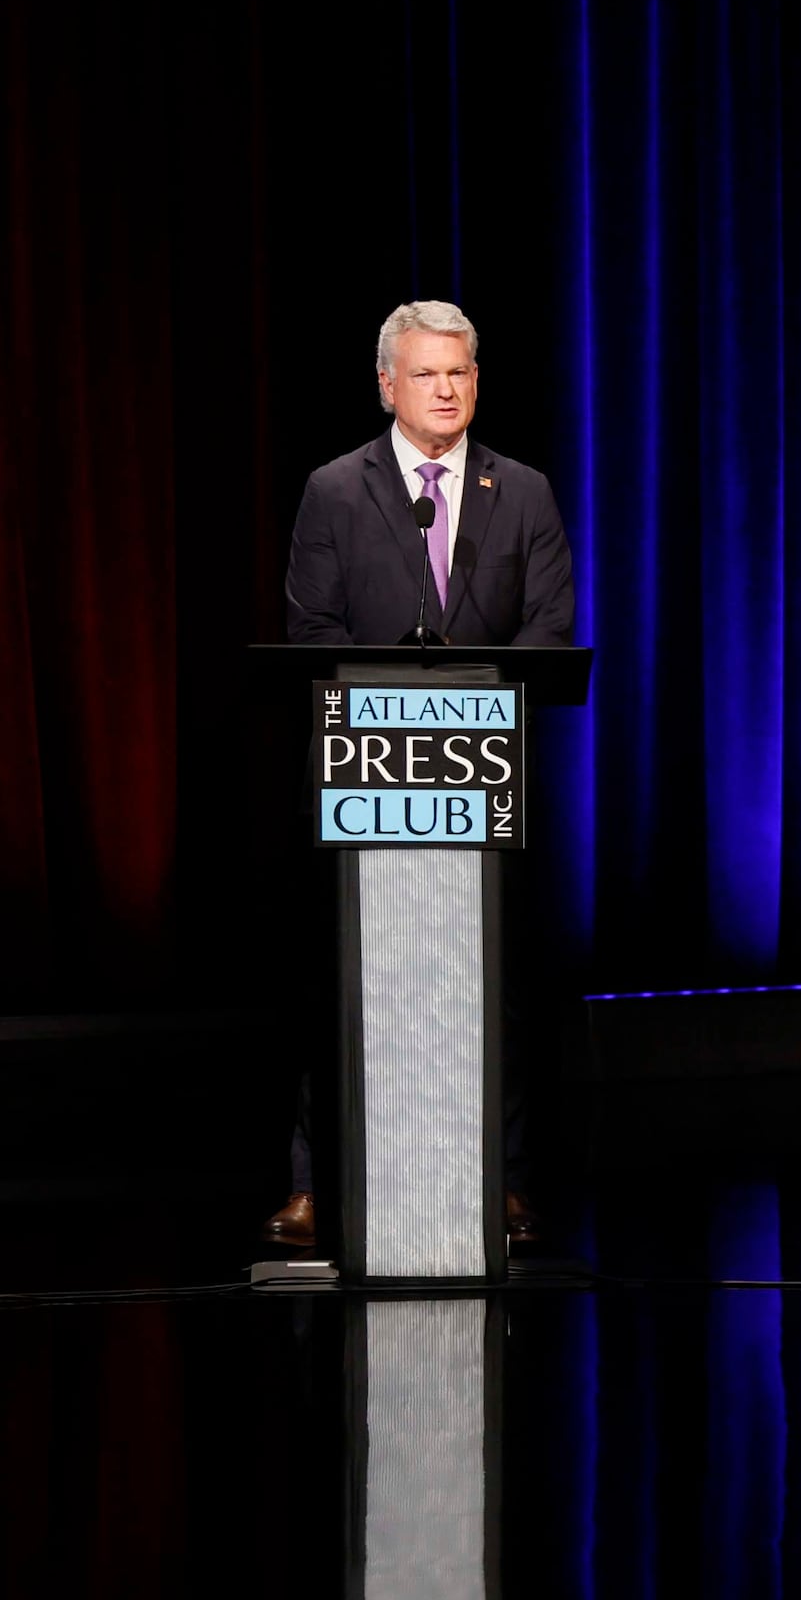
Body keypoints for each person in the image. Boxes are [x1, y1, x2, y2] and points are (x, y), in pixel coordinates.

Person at [270, 301, 578, 1250]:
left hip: (483, 776)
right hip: (367, 771)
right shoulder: (334, 489)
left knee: (500, 986)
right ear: (387, 385)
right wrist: (383, 703)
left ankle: (508, 1182)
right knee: (340, 981)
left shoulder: (519, 490)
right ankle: (317, 1186)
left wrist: (481, 706)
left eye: (462, 373)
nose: (448, 391)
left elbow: (549, 626)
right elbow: (311, 630)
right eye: (429, 375)